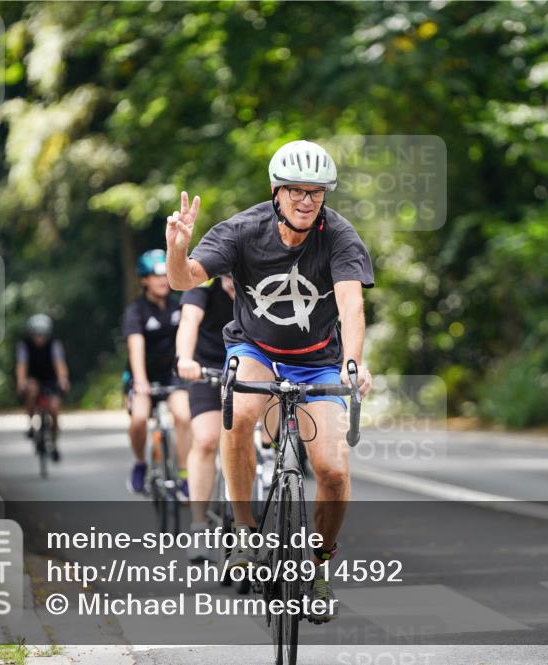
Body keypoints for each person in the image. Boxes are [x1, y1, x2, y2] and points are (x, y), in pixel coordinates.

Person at [165, 139, 374, 623]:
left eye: (316, 193)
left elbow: (350, 304)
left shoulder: (339, 236)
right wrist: (177, 249)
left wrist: (353, 362)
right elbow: (184, 280)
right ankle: (242, 529)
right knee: (236, 414)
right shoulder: (242, 230)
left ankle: (320, 568)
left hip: (318, 359)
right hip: (255, 348)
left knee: (335, 470)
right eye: (297, 191)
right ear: (277, 192)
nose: (306, 201)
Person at [176, 275, 235, 560]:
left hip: (254, 370)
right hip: (207, 370)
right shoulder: (202, 292)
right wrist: (185, 359)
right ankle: (199, 525)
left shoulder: (265, 288)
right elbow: (189, 322)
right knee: (207, 440)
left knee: (264, 440)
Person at [124, 249, 192, 497]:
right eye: (156, 275)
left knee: (184, 417)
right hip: (142, 376)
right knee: (139, 418)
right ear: (144, 280)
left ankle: (184, 476)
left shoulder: (179, 306)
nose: (163, 280)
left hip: (172, 376)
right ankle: (140, 463)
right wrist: (140, 381)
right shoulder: (136, 311)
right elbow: (135, 346)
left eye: (166, 275)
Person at [16, 314, 70, 460]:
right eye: (36, 335)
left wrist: (63, 379)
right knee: (31, 391)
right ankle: (31, 424)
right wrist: (21, 381)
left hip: (51, 379)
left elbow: (59, 363)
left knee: (54, 408)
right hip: (33, 378)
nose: (40, 338)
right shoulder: (24, 345)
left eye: (43, 335)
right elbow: (22, 365)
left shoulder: (54, 344)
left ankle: (54, 441)